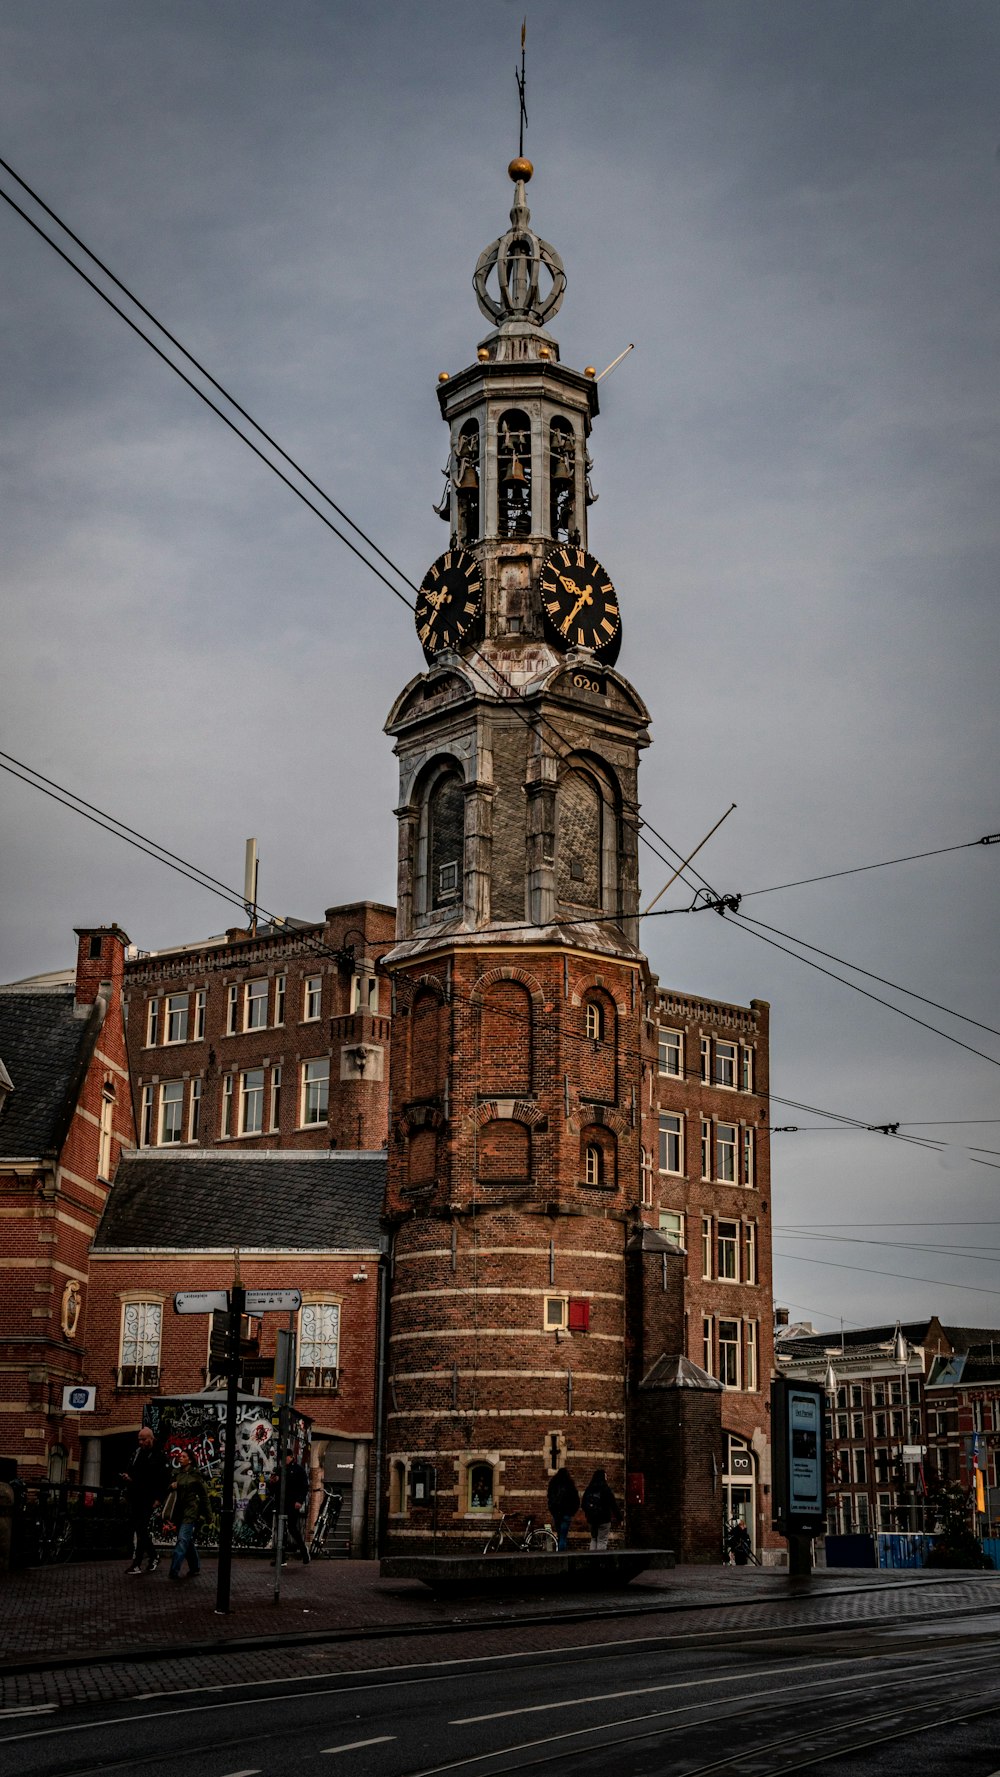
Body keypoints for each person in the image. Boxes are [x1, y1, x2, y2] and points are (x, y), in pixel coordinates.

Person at [121, 1425, 170, 1575]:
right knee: (139, 1528)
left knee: (141, 1528)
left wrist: (159, 1498)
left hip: (148, 1497)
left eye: (143, 1439)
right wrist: (128, 1477)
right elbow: (133, 1470)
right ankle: (154, 1556)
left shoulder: (159, 1456)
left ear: (150, 1439)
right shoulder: (137, 1453)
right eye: (139, 1439)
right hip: (136, 1495)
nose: (140, 1442)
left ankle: (137, 1563)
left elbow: (162, 1479)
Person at [163, 1448, 211, 1581]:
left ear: (190, 1459)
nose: (180, 1458)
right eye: (180, 1456)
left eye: (183, 1456)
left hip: (190, 1512)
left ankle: (174, 1571)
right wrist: (171, 1486)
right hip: (178, 1512)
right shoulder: (176, 1473)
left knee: (182, 1540)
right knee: (187, 1541)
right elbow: (168, 1489)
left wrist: (209, 1516)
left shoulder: (196, 1475)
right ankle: (195, 1567)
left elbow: (204, 1496)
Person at [268, 1451, 311, 1564]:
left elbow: (304, 1486)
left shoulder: (298, 1470)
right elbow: (272, 1490)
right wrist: (272, 1483)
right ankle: (281, 1558)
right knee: (281, 1530)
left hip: (292, 1504)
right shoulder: (279, 1470)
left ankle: (304, 1552)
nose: (284, 1460)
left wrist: (299, 1501)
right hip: (280, 1504)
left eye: (286, 1457)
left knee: (292, 1528)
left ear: (291, 1457)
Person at [581, 1468, 621, 1551]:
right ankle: (599, 1561)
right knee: (602, 1540)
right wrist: (619, 1518)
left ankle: (591, 1560)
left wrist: (589, 1514)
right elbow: (613, 1505)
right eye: (605, 1476)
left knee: (594, 1539)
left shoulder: (589, 1489)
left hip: (592, 1520)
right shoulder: (606, 1489)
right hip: (604, 1519)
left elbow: (583, 1504)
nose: (606, 1478)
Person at [546, 1467, 579, 1551]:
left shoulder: (553, 1483)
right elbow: (576, 1499)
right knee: (563, 1536)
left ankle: (559, 1554)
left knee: (560, 1535)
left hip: (556, 1513)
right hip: (567, 1514)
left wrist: (552, 1510)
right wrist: (572, 1512)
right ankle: (562, 1555)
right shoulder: (570, 1484)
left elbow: (549, 1497)